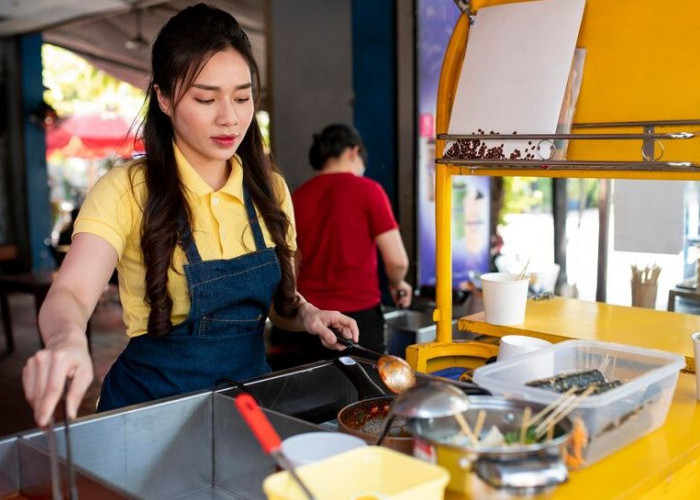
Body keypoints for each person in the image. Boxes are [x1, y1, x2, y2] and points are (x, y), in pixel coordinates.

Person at [22, 3, 358, 428]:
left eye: (242, 96)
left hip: (247, 409)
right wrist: (67, 341)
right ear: (163, 98)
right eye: (205, 98)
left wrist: (307, 314)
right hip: (148, 413)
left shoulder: (269, 190)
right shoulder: (127, 190)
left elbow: (279, 308)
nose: (230, 118)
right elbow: (69, 294)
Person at [268, 124, 411, 369]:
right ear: (354, 152)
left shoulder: (296, 197)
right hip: (358, 322)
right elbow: (397, 261)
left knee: (309, 401)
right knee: (365, 401)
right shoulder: (369, 191)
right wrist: (398, 283)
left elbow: (286, 266)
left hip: (305, 322)